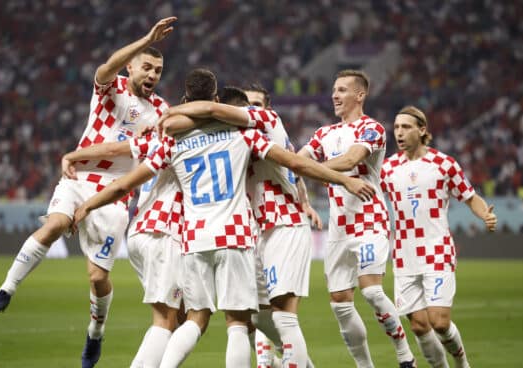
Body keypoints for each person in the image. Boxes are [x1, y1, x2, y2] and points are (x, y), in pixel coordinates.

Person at [70, 68, 376, 368]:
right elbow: (297, 164)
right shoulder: (244, 136)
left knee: (195, 319)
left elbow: (125, 183)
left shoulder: (172, 141)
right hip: (236, 234)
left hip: (192, 238)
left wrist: (87, 205)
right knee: (239, 324)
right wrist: (344, 180)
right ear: (221, 102)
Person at [0, 16, 177, 368]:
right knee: (54, 224)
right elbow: (106, 66)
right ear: (130, 66)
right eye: (146, 67)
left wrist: (73, 153)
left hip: (114, 194)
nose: (152, 75)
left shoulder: (161, 112)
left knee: (98, 276)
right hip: (77, 179)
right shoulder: (111, 88)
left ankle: (95, 334)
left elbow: (124, 151)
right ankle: (6, 290)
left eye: (158, 71)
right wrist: (145, 37)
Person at [58, 86, 256, 367]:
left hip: (142, 230)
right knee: (167, 320)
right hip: (167, 230)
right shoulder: (194, 138)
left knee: (183, 315)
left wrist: (75, 156)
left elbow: (116, 149)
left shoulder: (158, 135)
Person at [160, 83, 320, 367]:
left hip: (281, 224)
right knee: (254, 317)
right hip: (249, 232)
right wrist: (306, 199)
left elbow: (295, 165)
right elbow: (294, 169)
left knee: (277, 315)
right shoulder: (237, 136)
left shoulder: (261, 126)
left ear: (266, 108)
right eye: (245, 106)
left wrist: (168, 114)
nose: (248, 111)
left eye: (255, 105)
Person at [298, 70, 416, 368]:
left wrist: (311, 168)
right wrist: (294, 165)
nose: (334, 95)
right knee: (340, 302)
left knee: (373, 291)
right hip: (338, 227)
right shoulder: (323, 133)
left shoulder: (372, 128)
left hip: (369, 220)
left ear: (359, 95)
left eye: (342, 90)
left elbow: (351, 160)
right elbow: (298, 159)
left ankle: (404, 355)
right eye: (334, 90)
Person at [379, 105, 497, 368]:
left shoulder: (443, 164)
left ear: (422, 130)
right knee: (420, 326)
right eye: (396, 127)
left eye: (406, 127)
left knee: (440, 322)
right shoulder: (386, 168)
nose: (399, 132)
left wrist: (484, 215)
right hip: (403, 254)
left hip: (436, 250)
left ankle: (462, 363)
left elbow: (470, 197)